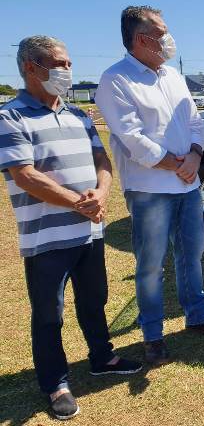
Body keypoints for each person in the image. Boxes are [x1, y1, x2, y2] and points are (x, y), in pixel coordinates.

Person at [0, 36, 142, 420]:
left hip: (89, 232)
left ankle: (102, 357)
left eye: (68, 63)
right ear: (32, 67)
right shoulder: (10, 117)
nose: (67, 71)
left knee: (94, 300)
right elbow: (25, 176)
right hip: (46, 239)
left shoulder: (79, 115)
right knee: (49, 314)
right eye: (60, 64)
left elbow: (102, 159)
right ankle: (56, 382)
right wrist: (80, 202)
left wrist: (101, 192)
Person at [95, 6, 204, 366]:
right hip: (150, 188)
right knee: (151, 265)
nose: (169, 39)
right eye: (162, 32)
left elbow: (195, 121)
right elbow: (133, 139)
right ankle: (153, 335)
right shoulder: (116, 80)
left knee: (192, 255)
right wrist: (177, 164)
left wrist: (196, 157)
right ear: (141, 39)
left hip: (186, 186)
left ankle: (197, 316)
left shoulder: (171, 76)